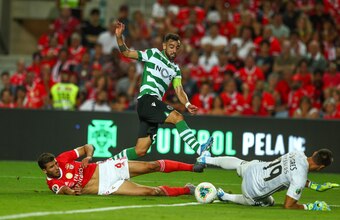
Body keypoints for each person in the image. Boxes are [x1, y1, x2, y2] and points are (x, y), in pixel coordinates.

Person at [113, 21, 214, 161]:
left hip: (152, 106)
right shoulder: (153, 54)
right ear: (164, 45)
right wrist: (119, 37)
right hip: (147, 100)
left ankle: (107, 163)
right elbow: (127, 53)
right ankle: (199, 149)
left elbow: (179, 90)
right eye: (171, 46)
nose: (174, 50)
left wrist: (187, 104)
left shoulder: (175, 69)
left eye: (177, 48)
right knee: (177, 117)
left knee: (140, 150)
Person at [197, 149, 339, 210]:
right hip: (253, 189)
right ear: (320, 167)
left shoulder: (297, 153)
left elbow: (289, 173)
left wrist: (314, 186)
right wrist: (310, 207)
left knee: (240, 163)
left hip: (254, 168)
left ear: (314, 153)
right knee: (267, 202)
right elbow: (288, 206)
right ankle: (226, 196)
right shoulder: (300, 177)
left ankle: (207, 159)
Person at [37, 144, 204, 196]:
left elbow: (88, 146)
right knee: (151, 192)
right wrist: (71, 192)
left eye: (55, 163)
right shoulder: (53, 184)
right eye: (51, 167)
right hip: (107, 188)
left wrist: (88, 156)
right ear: (45, 171)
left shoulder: (63, 158)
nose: (56, 167)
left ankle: (192, 167)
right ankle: (187, 189)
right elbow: (63, 189)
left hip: (106, 170)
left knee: (151, 166)